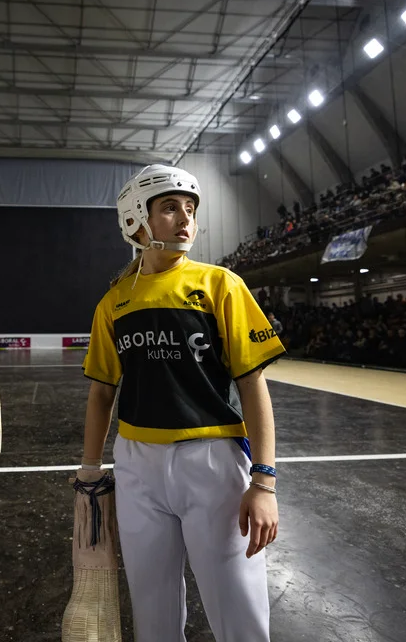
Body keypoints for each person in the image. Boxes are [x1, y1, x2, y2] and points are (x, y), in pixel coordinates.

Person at [78, 164, 287, 642]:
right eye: (170, 207)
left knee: (239, 611)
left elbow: (253, 386)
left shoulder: (221, 285)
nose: (186, 218)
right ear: (136, 218)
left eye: (190, 208)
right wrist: (89, 472)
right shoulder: (114, 303)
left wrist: (264, 482)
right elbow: (102, 392)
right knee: (151, 612)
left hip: (213, 464)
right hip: (136, 466)